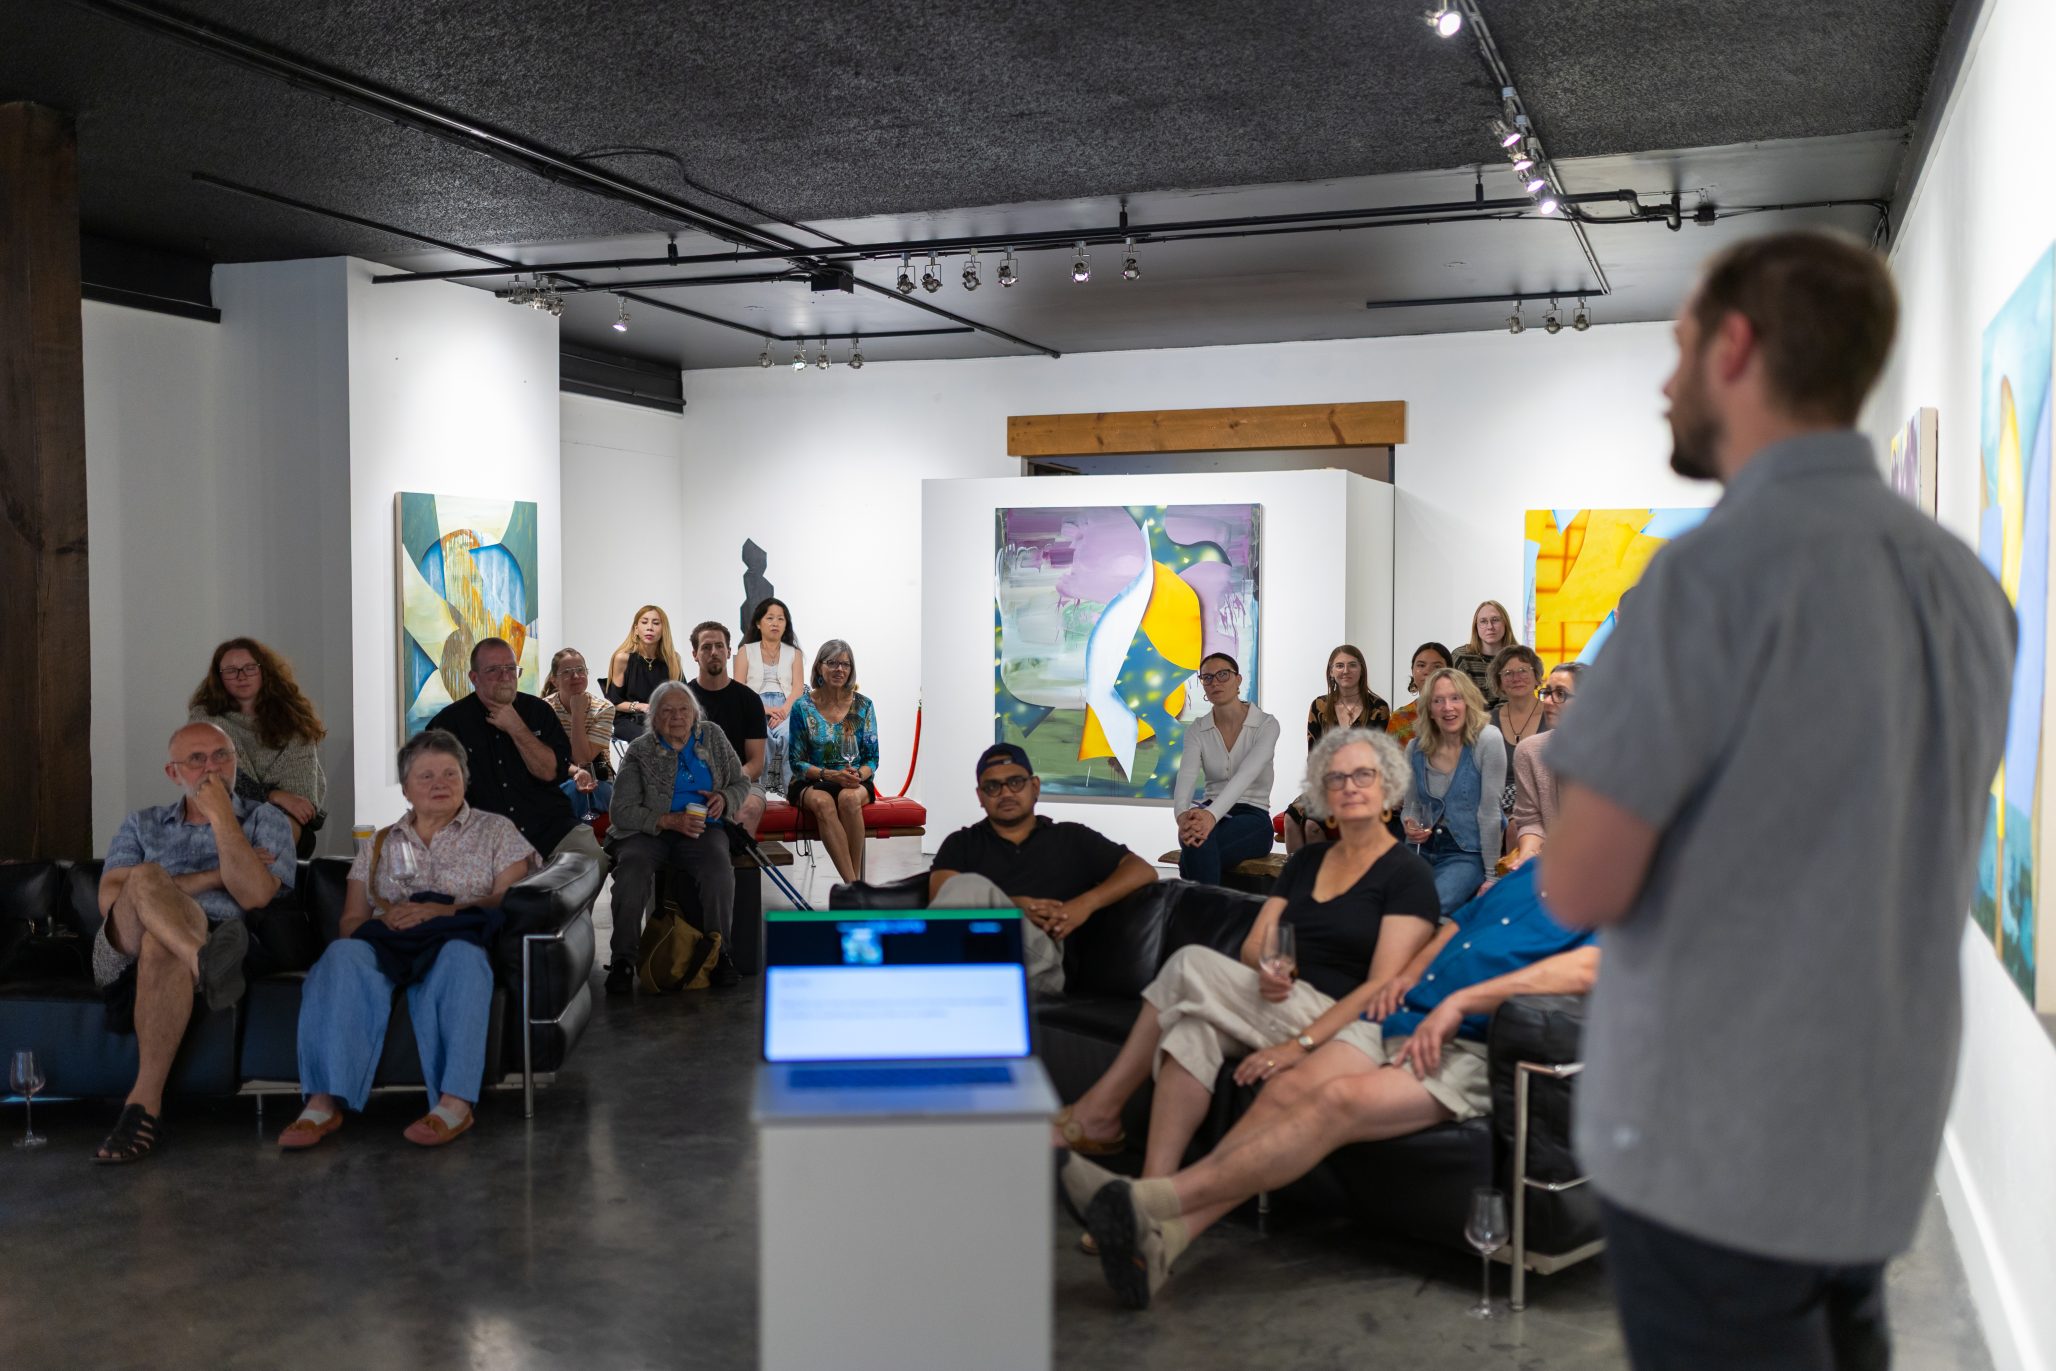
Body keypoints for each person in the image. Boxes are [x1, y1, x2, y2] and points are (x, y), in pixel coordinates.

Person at [1540, 231, 2015, 1369]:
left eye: (1680, 346)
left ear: (1736, 347)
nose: (1666, 382)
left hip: (1716, 1141)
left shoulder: (1706, 579)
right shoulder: (1968, 587)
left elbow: (1580, 882)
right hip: (1877, 1126)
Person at [1062, 859, 1600, 1311]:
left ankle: (1145, 1198)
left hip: (1471, 1045)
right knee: (1284, 1089)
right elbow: (1457, 927)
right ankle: (1166, 1240)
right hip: (1403, 1016)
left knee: (1337, 1100)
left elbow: (1586, 969)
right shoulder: (1534, 868)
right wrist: (1407, 977)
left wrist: (1464, 1001)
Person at [1055, 730, 1439, 1176]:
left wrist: (1300, 1046)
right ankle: (1156, 1190)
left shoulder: (1408, 874)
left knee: (1189, 963)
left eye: (1363, 775)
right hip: (1276, 1001)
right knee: (1192, 1031)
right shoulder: (1305, 862)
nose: (1349, 786)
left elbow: (1381, 986)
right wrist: (1270, 968)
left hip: (1338, 1022)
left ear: (1388, 786)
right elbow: (1255, 945)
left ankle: (1099, 1111)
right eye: (1336, 778)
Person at [278, 729, 535, 1151]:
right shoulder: (381, 842)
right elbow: (352, 920)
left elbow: (509, 898)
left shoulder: (497, 831)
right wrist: (390, 924)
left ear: (465, 779)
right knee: (341, 956)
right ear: (406, 789)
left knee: (463, 960)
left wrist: (444, 912)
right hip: (390, 945)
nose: (440, 784)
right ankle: (322, 1103)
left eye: (450, 774)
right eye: (426, 776)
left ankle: (454, 1105)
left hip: (455, 938)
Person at [90, 721, 296, 1163]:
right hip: (125, 943)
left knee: (160, 940)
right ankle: (202, 963)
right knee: (145, 877)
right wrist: (215, 876)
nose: (212, 768)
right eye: (197, 759)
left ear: (235, 762)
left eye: (222, 756)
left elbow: (256, 895)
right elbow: (111, 898)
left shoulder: (266, 819)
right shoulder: (143, 823)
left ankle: (142, 1108)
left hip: (219, 935)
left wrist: (222, 817)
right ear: (173, 772)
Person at [928, 742, 1159, 996]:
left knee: (968, 887)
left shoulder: (1071, 837)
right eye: (993, 787)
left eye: (1016, 782)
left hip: (1041, 964)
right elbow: (943, 906)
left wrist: (1084, 904)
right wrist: (1015, 907)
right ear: (980, 796)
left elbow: (1142, 870)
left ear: (1035, 786)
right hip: (974, 957)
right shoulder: (961, 844)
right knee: (966, 889)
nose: (1006, 793)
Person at [606, 681, 750, 993]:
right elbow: (620, 811)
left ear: (695, 714)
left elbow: (741, 782)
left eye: (683, 709)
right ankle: (623, 961)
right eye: (667, 711)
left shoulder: (712, 736)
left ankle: (719, 954)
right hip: (648, 831)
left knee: (718, 869)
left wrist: (724, 798)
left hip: (702, 828)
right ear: (654, 718)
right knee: (632, 871)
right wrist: (667, 820)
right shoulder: (640, 750)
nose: (677, 717)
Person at [426, 638, 601, 864]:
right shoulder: (447, 726)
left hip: (549, 828)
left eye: (510, 668)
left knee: (593, 859)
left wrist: (516, 727)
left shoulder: (539, 712)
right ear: (474, 678)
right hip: (482, 837)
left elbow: (550, 772)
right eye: (493, 670)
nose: (505, 676)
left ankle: (548, 887)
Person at [187, 637, 328, 857]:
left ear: (264, 671)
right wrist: (274, 794)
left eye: (249, 668)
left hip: (286, 821)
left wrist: (260, 795)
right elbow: (211, 783)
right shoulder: (205, 719)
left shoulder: (294, 721)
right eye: (231, 671)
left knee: (272, 832)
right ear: (219, 677)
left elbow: (302, 798)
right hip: (223, 817)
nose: (241, 676)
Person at [1171, 653, 1281, 885]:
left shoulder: (1266, 724)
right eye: (1207, 678)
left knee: (1196, 846)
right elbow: (1186, 775)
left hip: (1252, 815)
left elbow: (1247, 774)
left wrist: (1210, 817)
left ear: (1238, 679)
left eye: (1223, 674)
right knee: (1197, 839)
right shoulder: (1197, 729)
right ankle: (1210, 907)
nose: (1215, 682)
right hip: (1207, 811)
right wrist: (1182, 816)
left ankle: (1194, 905)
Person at [1401, 668, 1504, 913]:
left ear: (1468, 701)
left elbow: (1490, 813)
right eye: (1438, 700)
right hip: (1420, 849)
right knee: (1387, 903)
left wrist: (1492, 876)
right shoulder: (1415, 748)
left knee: (1427, 908)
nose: (1448, 707)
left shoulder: (1488, 740)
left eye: (1455, 698)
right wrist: (1410, 823)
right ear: (1429, 709)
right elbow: (1410, 807)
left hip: (1465, 854)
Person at [786, 639, 878, 884]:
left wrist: (859, 775)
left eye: (845, 664)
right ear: (819, 667)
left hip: (854, 779)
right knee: (823, 802)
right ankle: (853, 885)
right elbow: (796, 762)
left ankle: (852, 887)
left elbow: (872, 758)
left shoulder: (863, 705)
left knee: (849, 799)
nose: (840, 669)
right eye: (833, 663)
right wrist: (829, 775)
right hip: (813, 780)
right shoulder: (802, 707)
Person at [1283, 644, 1390, 852]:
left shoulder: (1378, 708)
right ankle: (1299, 873)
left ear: (1362, 670)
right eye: (1339, 666)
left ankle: (1327, 872)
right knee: (1290, 819)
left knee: (1313, 825)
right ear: (1331, 671)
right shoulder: (1319, 706)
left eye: (1352, 665)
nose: (1346, 671)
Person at [685, 620, 769, 838]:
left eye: (719, 646)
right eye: (706, 647)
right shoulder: (681, 699)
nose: (714, 652)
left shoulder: (750, 700)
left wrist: (724, 786)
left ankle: (735, 860)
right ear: (695, 654)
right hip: (691, 783)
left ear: (729, 652)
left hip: (741, 781)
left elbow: (756, 764)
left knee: (748, 808)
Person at [1506, 663, 1583, 870]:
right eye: (1547, 692)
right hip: (1547, 860)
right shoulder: (1529, 751)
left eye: (1560, 694)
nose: (1548, 701)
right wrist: (1526, 857)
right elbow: (1530, 820)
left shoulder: (1615, 754)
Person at [735, 597, 805, 795]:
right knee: (760, 738)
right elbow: (739, 688)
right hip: (753, 707)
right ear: (758, 623)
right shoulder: (745, 651)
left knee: (790, 736)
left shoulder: (795, 653)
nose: (775, 623)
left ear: (786, 624)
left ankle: (792, 793)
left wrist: (783, 711)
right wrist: (763, 710)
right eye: (770, 618)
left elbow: (798, 689)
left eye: (780, 619)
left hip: (786, 708)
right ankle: (758, 793)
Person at [542, 648, 615, 824]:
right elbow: (546, 758)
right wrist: (574, 772)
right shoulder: (543, 709)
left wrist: (577, 713)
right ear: (554, 680)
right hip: (559, 777)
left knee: (578, 793)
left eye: (580, 670)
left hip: (598, 780)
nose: (576, 676)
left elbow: (583, 759)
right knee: (570, 790)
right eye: (567, 672)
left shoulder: (603, 708)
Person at [1486, 645, 1548, 818]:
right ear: (1499, 682)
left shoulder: (1554, 717)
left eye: (1523, 670)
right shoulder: (1487, 722)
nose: (1516, 678)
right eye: (1508, 673)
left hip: (1544, 810)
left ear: (1537, 676)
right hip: (1497, 812)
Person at [605, 605, 681, 745]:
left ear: (663, 630)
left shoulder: (673, 660)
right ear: (636, 629)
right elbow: (615, 703)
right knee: (652, 738)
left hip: (661, 719)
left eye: (656, 623)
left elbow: (682, 697)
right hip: (629, 719)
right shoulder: (623, 658)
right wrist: (641, 706)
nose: (649, 627)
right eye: (644, 622)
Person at [1451, 601, 1519, 707]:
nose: (1490, 626)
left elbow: (1515, 702)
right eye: (1483, 621)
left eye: (1495, 620)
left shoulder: (1519, 658)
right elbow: (1461, 702)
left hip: (1510, 716)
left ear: (1505, 624)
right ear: (1476, 627)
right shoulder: (1460, 657)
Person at [1385, 642, 1452, 746]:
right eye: (1421, 665)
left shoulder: (1459, 713)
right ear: (1412, 671)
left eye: (1437, 666)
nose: (1427, 671)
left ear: (1450, 672)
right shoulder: (1399, 718)